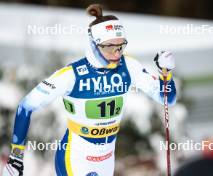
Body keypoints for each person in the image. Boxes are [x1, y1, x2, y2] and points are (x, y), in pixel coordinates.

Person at [3, 4, 176, 176]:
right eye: (109, 47)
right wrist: (16, 157)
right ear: (93, 44)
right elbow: (26, 106)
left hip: (106, 160)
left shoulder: (128, 66)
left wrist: (165, 74)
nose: (116, 54)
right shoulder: (71, 75)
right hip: (75, 158)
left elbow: (168, 98)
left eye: (120, 46)